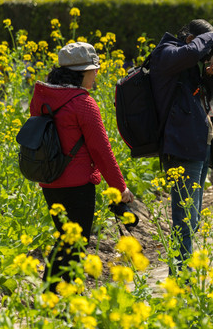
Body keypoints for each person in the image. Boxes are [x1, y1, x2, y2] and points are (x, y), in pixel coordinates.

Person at [29, 42, 134, 292]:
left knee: (67, 240)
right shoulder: (83, 103)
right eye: (93, 69)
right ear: (80, 73)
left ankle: (60, 295)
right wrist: (120, 188)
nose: (96, 73)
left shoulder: (42, 97)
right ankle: (55, 296)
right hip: (77, 185)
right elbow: (101, 151)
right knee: (75, 243)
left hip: (49, 180)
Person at [149, 19, 213, 272]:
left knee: (191, 217)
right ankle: (181, 277)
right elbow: (193, 51)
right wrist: (212, 37)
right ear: (190, 39)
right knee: (184, 217)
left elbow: (198, 100)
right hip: (181, 147)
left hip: (198, 145)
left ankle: (181, 271)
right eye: (206, 47)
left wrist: (211, 77)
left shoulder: (186, 62)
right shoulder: (166, 53)